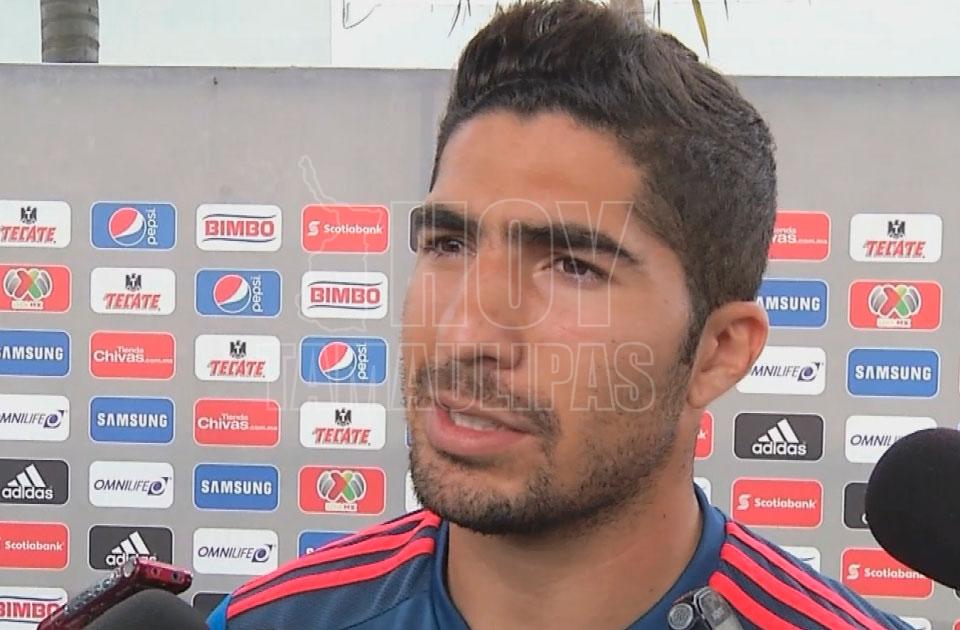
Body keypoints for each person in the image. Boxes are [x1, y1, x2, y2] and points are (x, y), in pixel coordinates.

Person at [208, 1, 912, 628]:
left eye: (572, 266)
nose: (465, 333)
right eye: (448, 244)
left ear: (719, 350)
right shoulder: (270, 621)